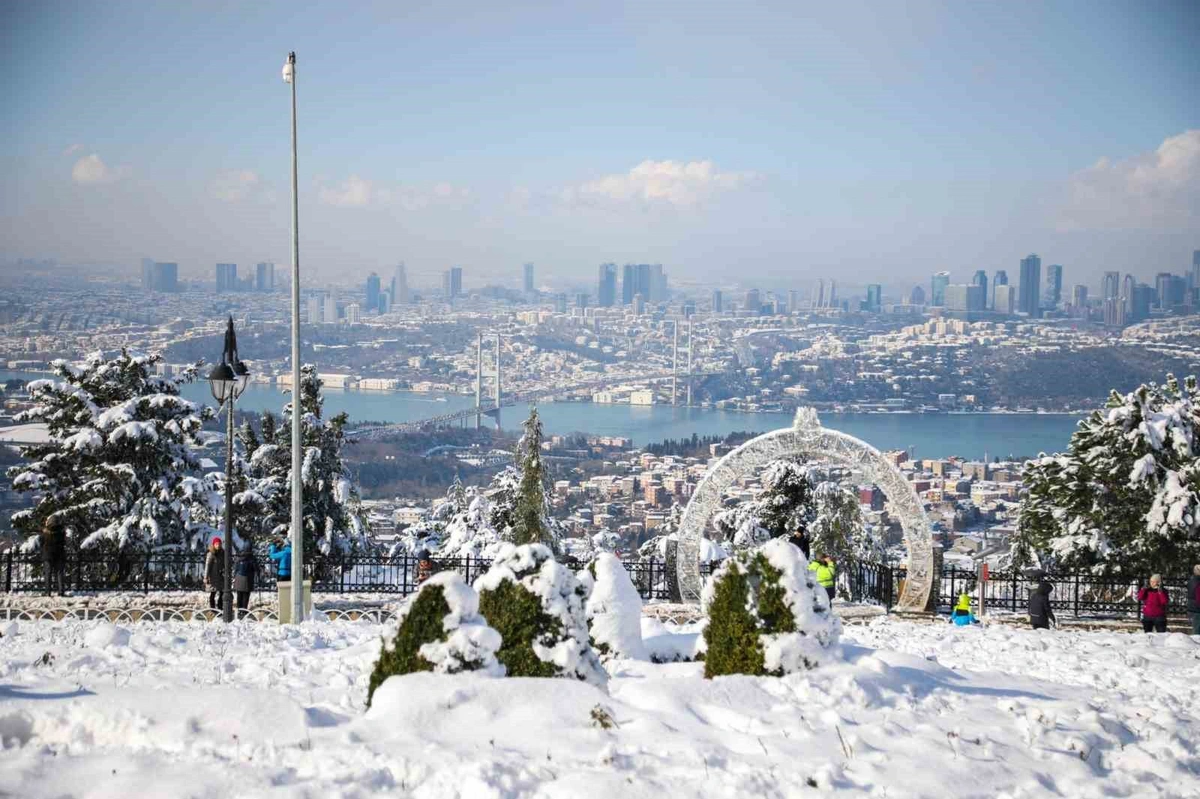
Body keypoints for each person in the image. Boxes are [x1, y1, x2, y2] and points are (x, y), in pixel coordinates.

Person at [40, 518, 67, 597]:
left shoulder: (46, 532)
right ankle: (61, 592)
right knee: (60, 573)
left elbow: (41, 541)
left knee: (48, 574)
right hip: (59, 554)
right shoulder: (62, 532)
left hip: (48, 554)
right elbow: (64, 542)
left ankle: (47, 592)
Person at [233, 545, 258, 615]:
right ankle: (244, 610)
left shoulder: (239, 557)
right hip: (248, 578)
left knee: (239, 595)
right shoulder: (251, 558)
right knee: (246, 595)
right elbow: (256, 568)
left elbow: (236, 567)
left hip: (238, 577)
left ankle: (239, 609)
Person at [205, 537, 226, 610]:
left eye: (219, 544)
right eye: (216, 544)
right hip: (213, 576)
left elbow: (224, 563)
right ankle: (212, 608)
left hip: (220, 576)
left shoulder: (222, 553)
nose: (218, 545)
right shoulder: (211, 554)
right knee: (213, 593)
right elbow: (207, 566)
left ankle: (220, 607)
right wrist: (206, 577)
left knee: (222, 592)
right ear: (213, 545)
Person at [1189, 564, 1200, 636]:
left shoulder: (1191, 581)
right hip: (1198, 609)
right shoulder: (1198, 581)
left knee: (1196, 630)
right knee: (1197, 632)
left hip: (1192, 608)